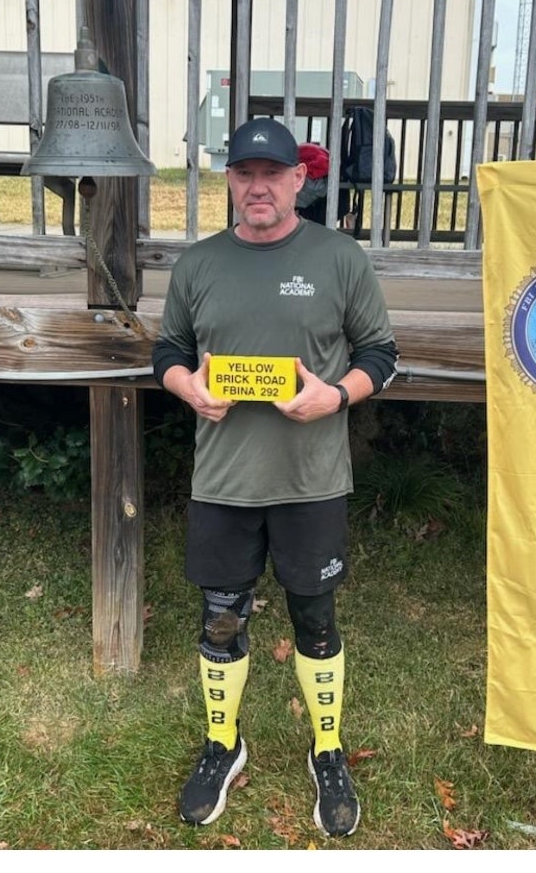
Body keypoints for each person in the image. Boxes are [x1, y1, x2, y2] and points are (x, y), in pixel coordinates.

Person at [152, 118, 398, 837]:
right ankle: (223, 745)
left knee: (315, 619)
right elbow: (168, 346)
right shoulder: (198, 265)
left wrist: (336, 395)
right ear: (228, 180)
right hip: (223, 482)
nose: (257, 187)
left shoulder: (339, 257)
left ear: (299, 180)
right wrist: (184, 386)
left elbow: (380, 352)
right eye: (243, 173)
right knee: (220, 618)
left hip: (312, 479)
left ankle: (328, 750)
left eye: (272, 173)